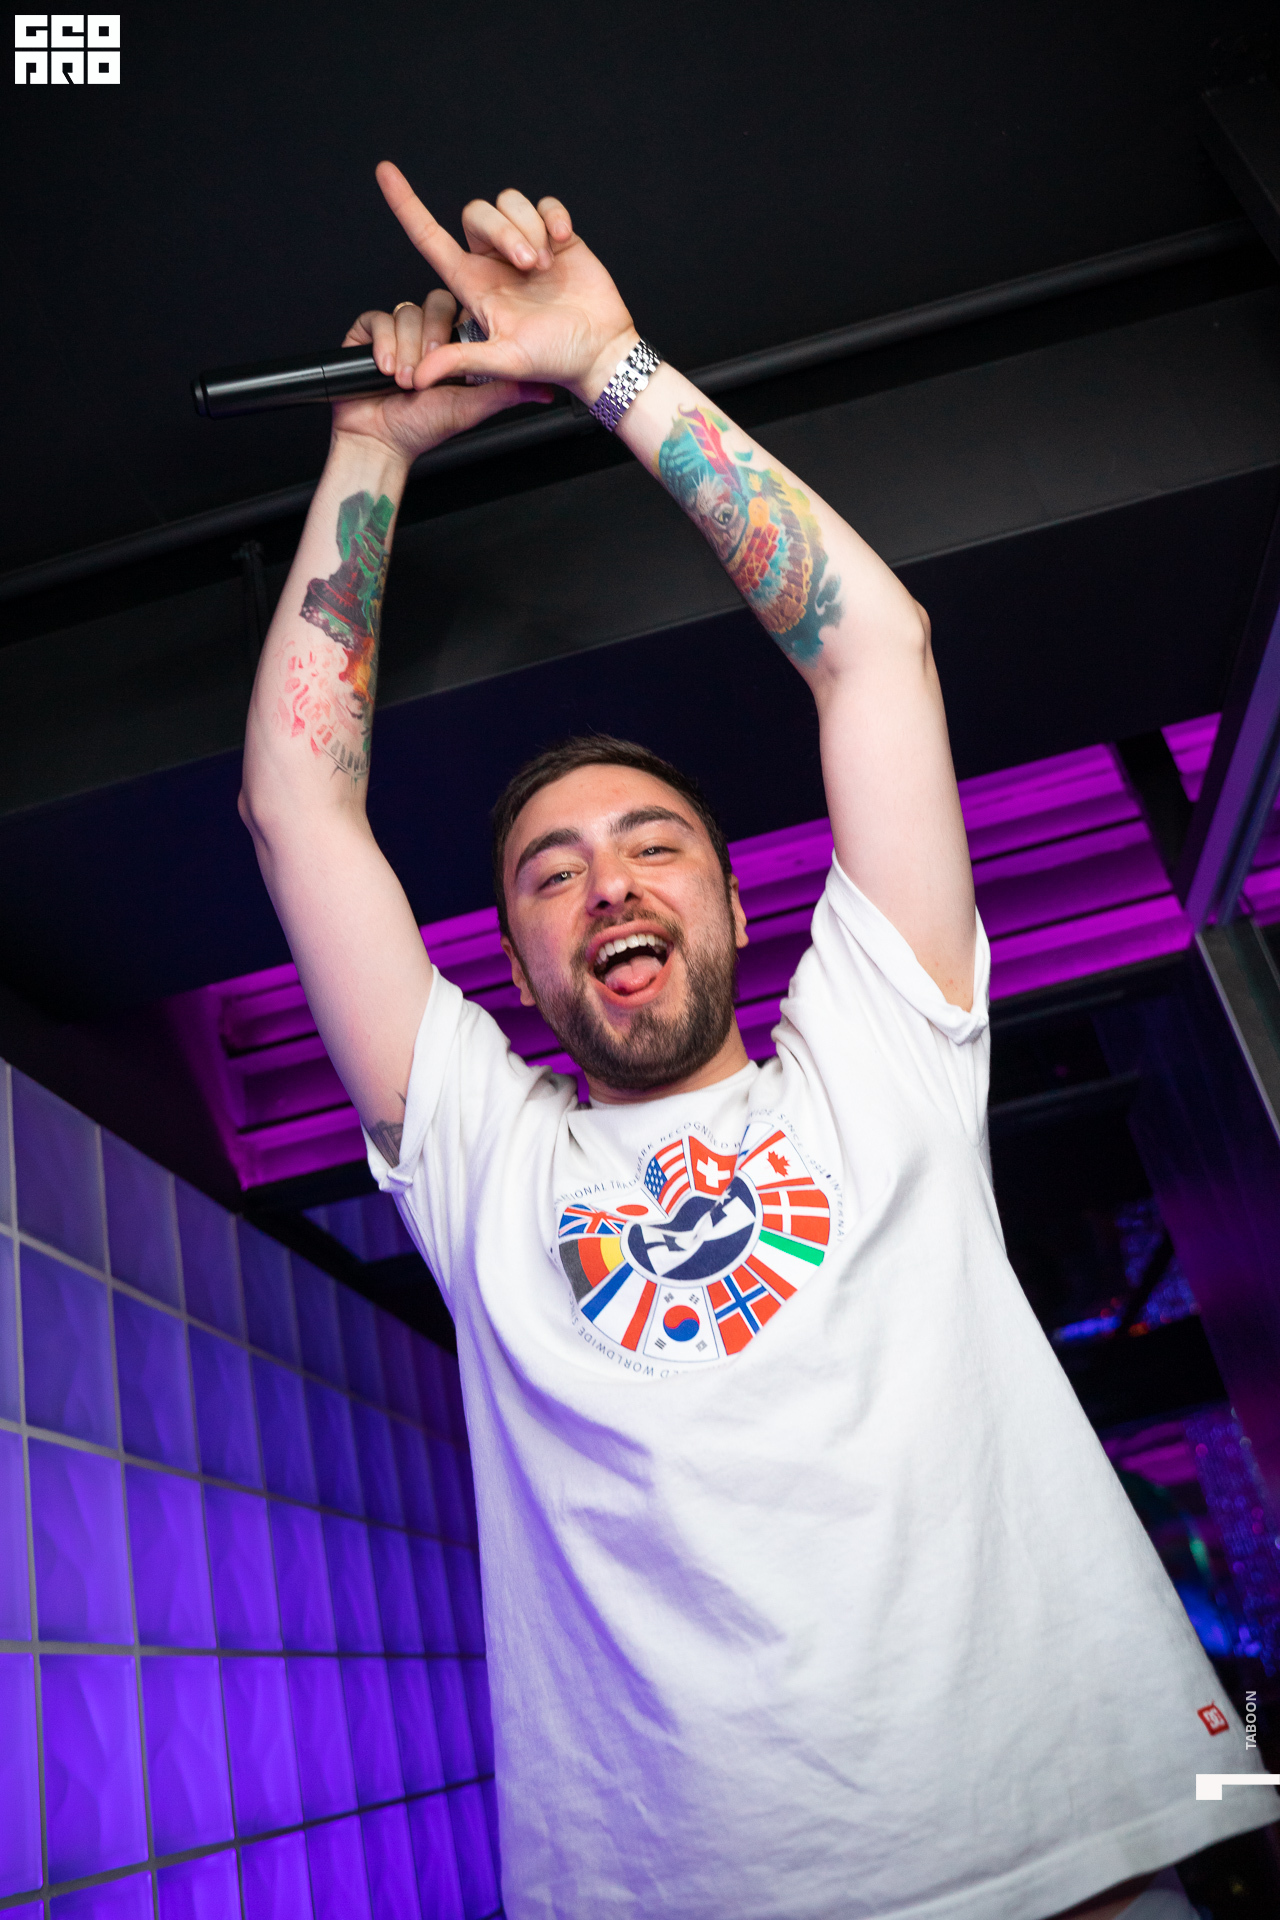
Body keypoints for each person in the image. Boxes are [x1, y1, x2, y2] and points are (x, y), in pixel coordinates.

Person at [239, 164, 1275, 1920]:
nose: (609, 884)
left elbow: (875, 652)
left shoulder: (882, 1046)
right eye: (552, 875)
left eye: (653, 847)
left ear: (730, 902)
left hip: (1085, 1857)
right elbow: (298, 813)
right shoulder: (487, 1160)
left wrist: (610, 366)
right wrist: (370, 453)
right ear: (518, 967)